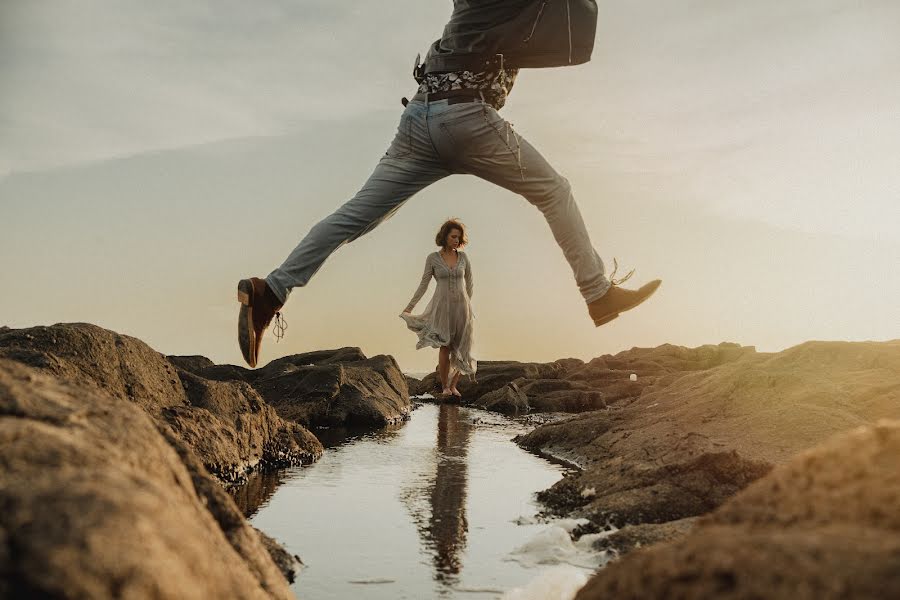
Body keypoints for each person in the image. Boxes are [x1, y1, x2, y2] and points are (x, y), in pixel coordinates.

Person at [237, 0, 661, 368]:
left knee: (354, 217)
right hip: (467, 118)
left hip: (419, 118)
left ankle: (271, 291)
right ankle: (597, 293)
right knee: (555, 191)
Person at [401, 220, 475, 397]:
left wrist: (468, 303)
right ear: (445, 237)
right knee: (445, 345)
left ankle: (454, 385)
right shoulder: (433, 258)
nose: (457, 240)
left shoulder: (463, 258)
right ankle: (445, 387)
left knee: (462, 346)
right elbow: (424, 284)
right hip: (442, 307)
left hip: (462, 307)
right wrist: (410, 307)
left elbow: (470, 282)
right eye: (453, 236)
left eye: (459, 237)